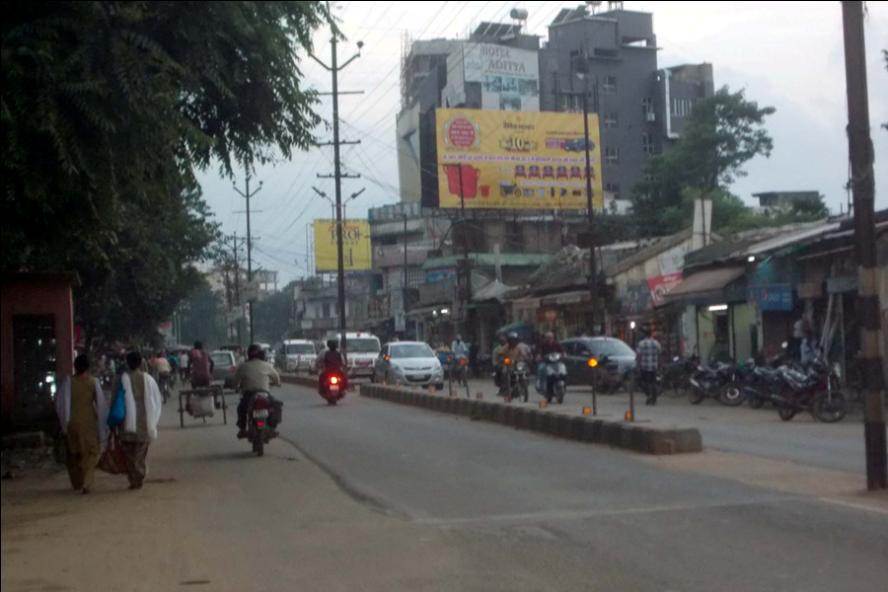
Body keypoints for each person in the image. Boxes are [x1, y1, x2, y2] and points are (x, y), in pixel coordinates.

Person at [55, 354, 107, 494]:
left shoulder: (68, 382)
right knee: (92, 452)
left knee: (75, 453)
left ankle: (77, 482)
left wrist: (63, 424)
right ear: (88, 367)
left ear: (75, 366)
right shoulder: (93, 382)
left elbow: (61, 404)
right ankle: (86, 482)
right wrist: (103, 428)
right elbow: (101, 406)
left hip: (71, 423)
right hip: (88, 423)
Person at [119, 351, 163, 490]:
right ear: (140, 363)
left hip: (126, 424)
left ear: (127, 363)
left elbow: (115, 402)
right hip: (144, 423)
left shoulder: (121, 380)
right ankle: (138, 475)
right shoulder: (148, 379)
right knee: (140, 454)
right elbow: (156, 401)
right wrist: (153, 420)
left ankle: (134, 477)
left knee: (129, 454)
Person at [235, 344, 282, 438]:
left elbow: (235, 381)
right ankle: (272, 427)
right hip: (265, 394)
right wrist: (277, 383)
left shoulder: (244, 366)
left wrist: (236, 386)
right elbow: (277, 378)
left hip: (249, 395)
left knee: (241, 408)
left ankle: (242, 429)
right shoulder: (267, 365)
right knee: (276, 405)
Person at [636, 327, 662, 406]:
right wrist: (659, 364)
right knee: (653, 382)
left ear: (644, 335)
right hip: (654, 366)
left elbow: (639, 355)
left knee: (644, 382)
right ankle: (653, 397)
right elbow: (659, 353)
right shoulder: (656, 343)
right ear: (651, 334)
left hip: (644, 366)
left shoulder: (641, 343)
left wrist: (638, 365)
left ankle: (649, 395)